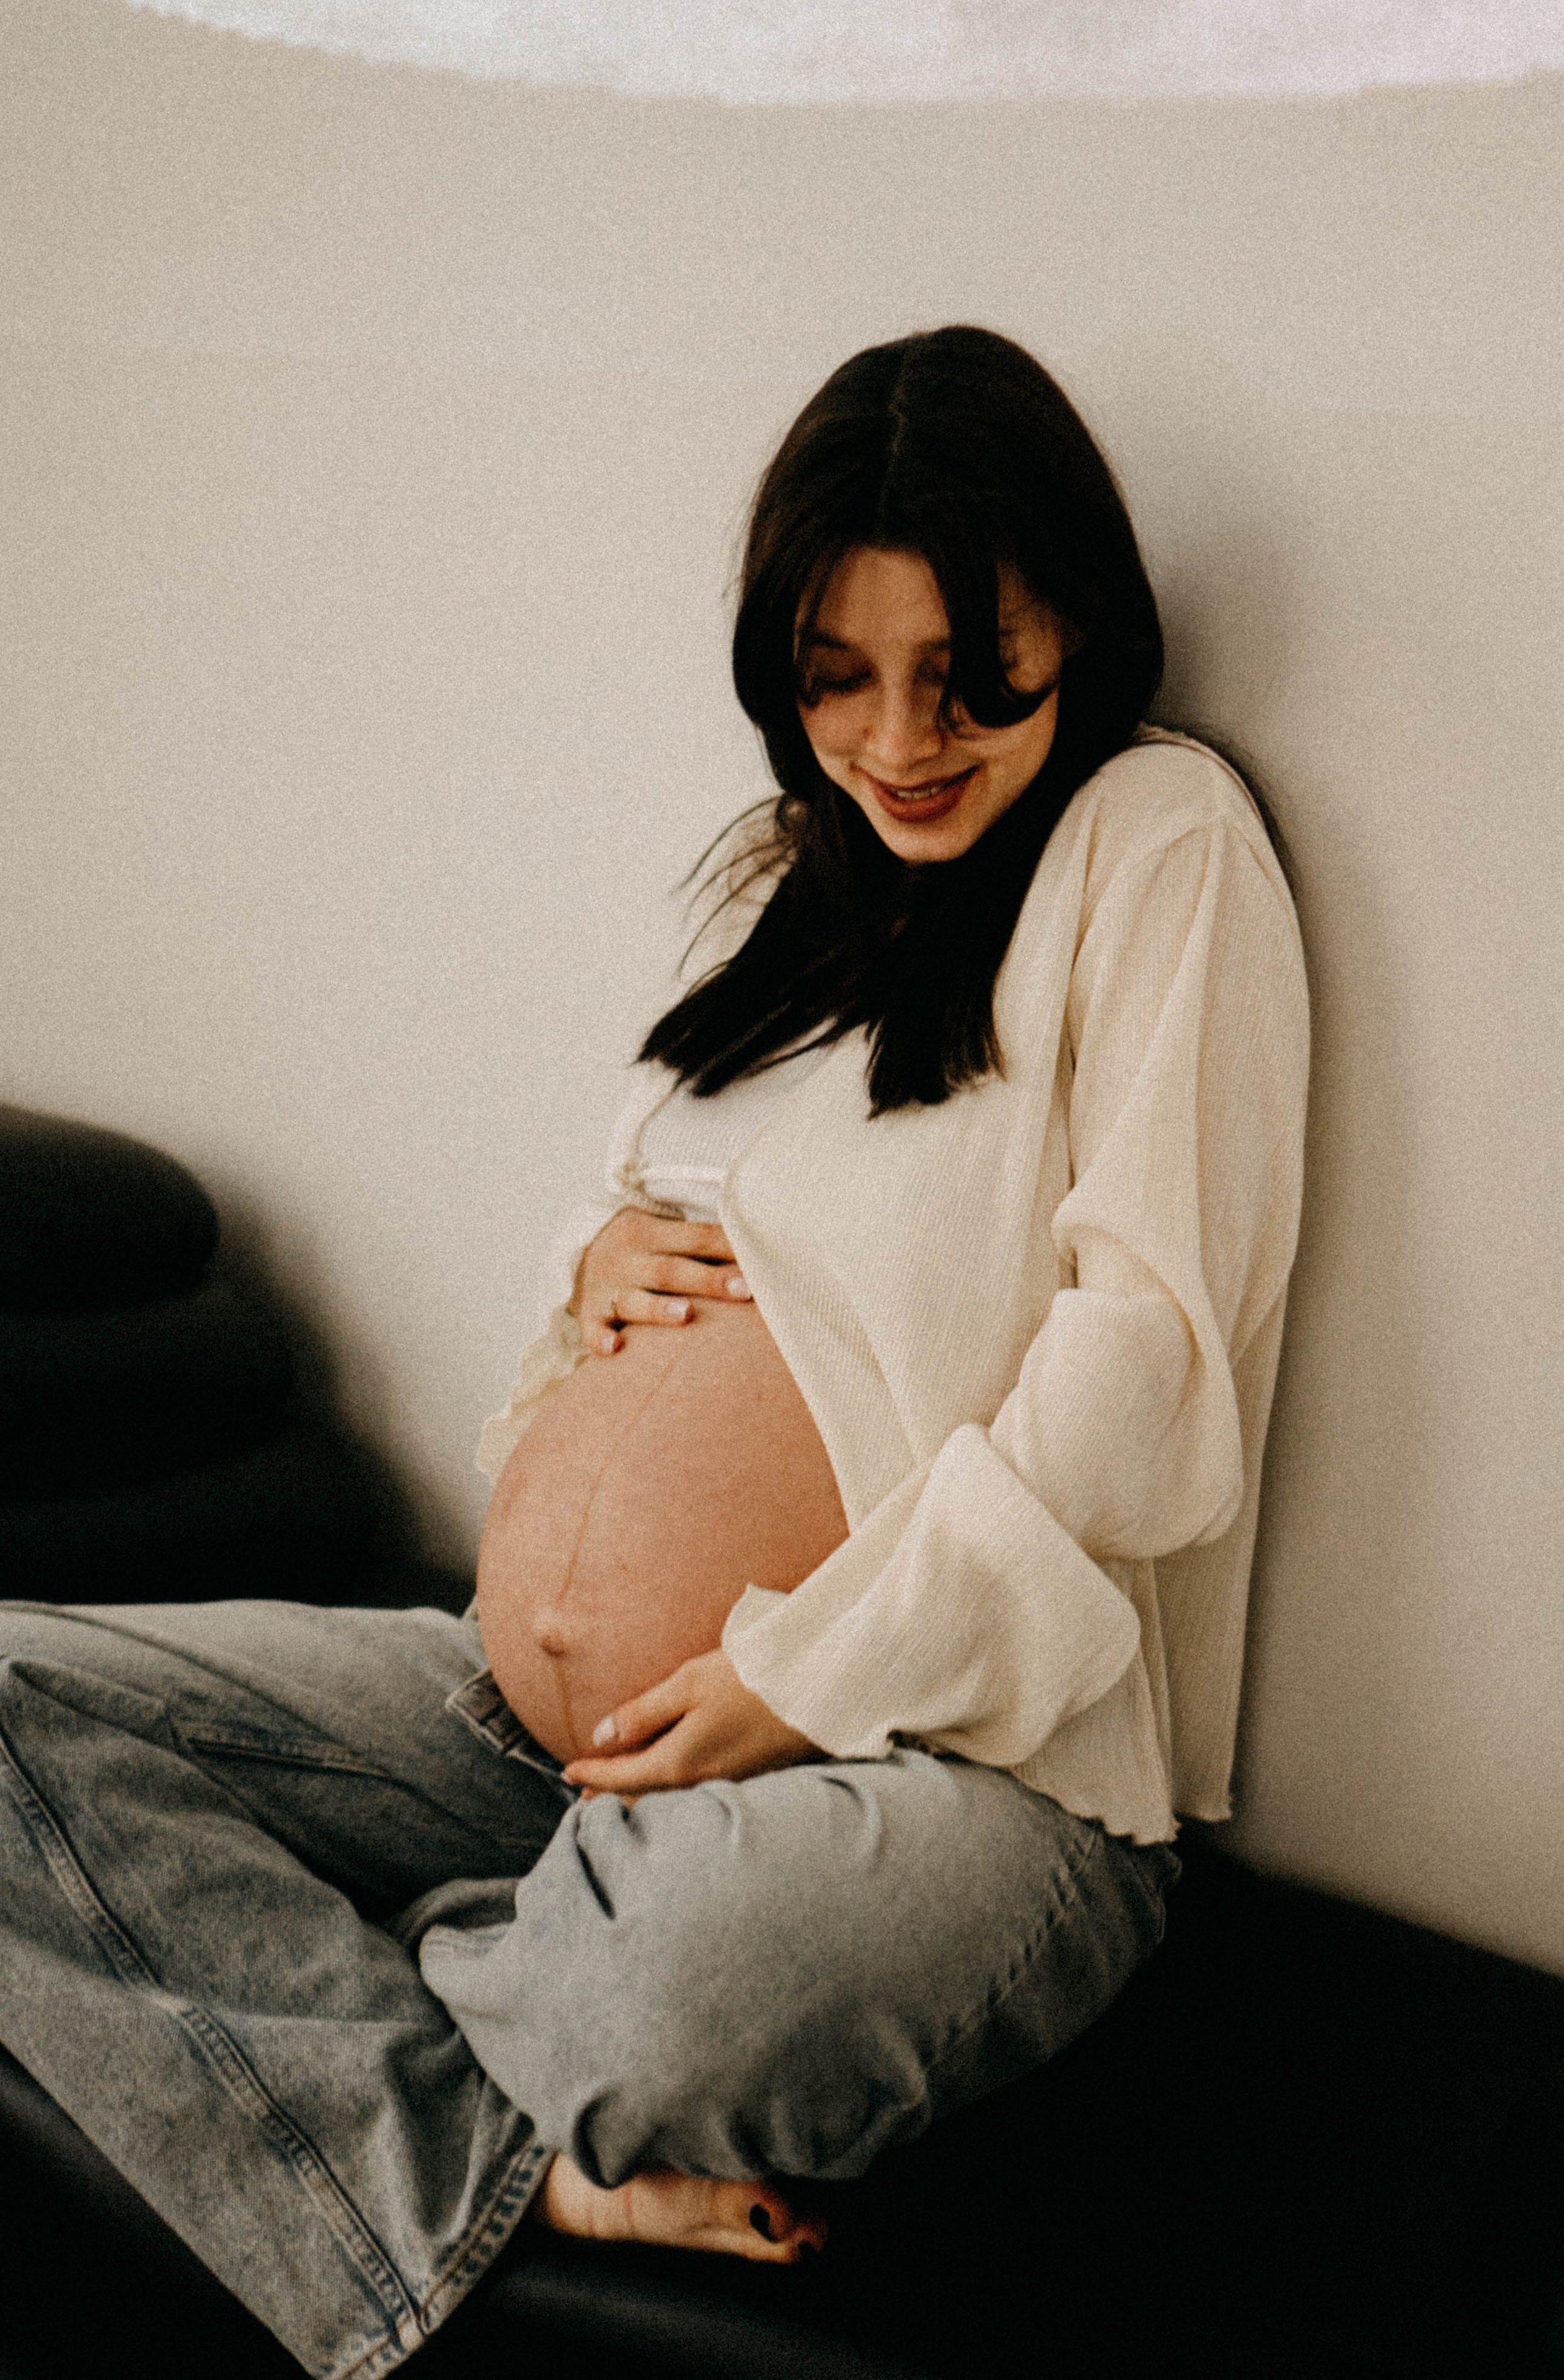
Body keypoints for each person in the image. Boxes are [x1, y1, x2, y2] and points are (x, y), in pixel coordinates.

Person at [0, 325, 1308, 2379]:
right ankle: (474, 2138)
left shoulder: (1158, 842)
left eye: (972, 674)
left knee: (665, 2006)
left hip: (961, 1772)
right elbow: (648, 1296)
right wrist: (587, 1271)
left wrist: (802, 1676)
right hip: (538, 1736)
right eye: (836, 676)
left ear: (1088, 623)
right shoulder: (783, 893)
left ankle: (376, 2032)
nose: (903, 738)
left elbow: (1142, 1382)